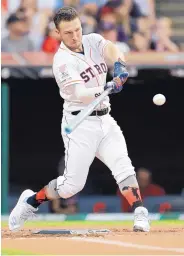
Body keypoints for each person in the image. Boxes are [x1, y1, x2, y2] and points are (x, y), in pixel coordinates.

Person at [9, 7, 150, 232]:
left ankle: (140, 212)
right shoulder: (62, 61)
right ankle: (31, 201)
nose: (75, 37)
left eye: (77, 30)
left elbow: (112, 49)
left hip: (105, 119)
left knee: (124, 167)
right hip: (80, 123)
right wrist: (105, 87)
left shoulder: (92, 40)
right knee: (71, 186)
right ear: (58, 33)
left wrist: (119, 66)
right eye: (68, 33)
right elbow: (79, 94)